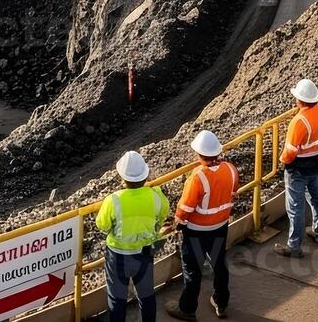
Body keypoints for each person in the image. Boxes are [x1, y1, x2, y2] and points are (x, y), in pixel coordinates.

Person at [96, 150, 172, 322]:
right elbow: (162, 215)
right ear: (145, 176)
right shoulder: (155, 196)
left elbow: (102, 225)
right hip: (144, 253)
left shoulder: (113, 200)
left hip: (118, 256)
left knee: (117, 299)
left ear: (123, 179)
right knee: (146, 296)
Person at [168, 130, 236, 320]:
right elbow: (233, 192)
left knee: (193, 271)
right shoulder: (230, 169)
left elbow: (185, 208)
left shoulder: (197, 177)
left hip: (197, 231)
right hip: (221, 226)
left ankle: (187, 309)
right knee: (219, 264)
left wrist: (177, 223)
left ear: (198, 154)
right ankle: (221, 303)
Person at [275, 78, 318, 258]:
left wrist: (281, 161)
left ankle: (294, 247)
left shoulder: (299, 122)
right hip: (316, 163)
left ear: (300, 100)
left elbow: (290, 152)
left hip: (297, 169)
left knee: (295, 207)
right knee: (316, 197)